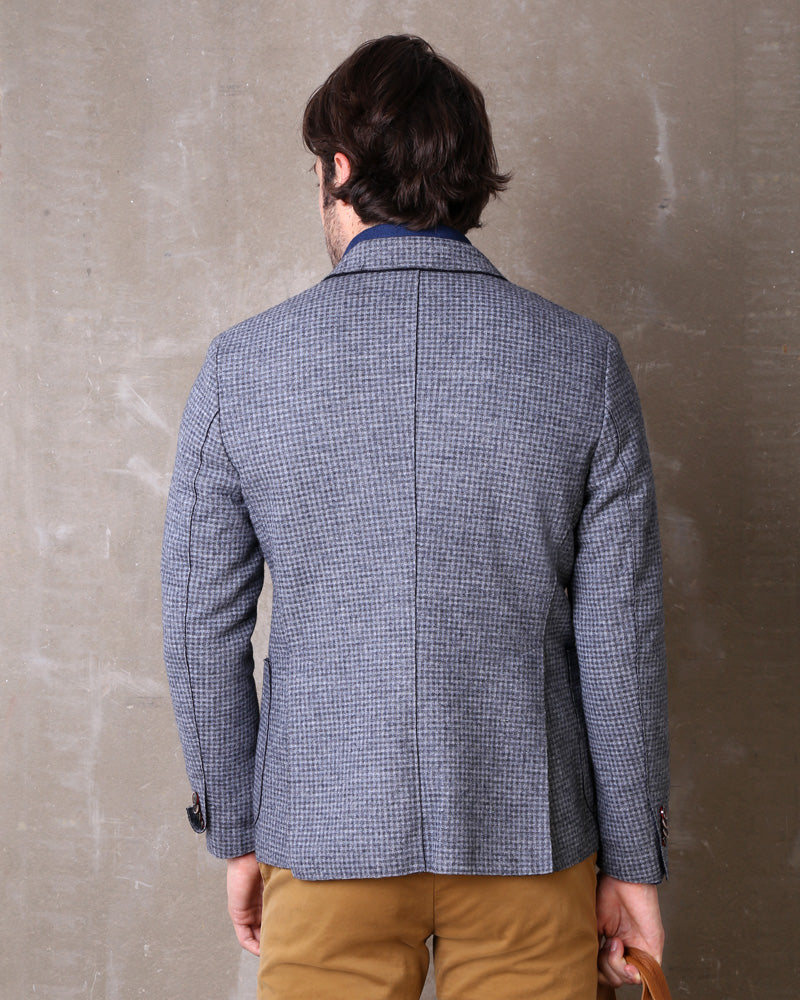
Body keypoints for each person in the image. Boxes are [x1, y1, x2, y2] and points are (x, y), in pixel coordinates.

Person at [162, 34, 669, 1000]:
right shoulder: (585, 366)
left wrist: (238, 832)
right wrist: (634, 865)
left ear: (337, 169)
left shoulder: (242, 369)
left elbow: (201, 629)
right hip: (530, 841)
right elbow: (621, 642)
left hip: (323, 838)